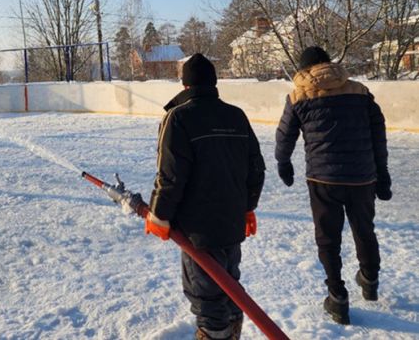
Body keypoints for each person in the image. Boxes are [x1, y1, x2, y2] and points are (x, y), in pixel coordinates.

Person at [145, 53, 265, 340]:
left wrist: (159, 214)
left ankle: (216, 334)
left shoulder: (179, 117)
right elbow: (256, 168)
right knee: (229, 283)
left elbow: (171, 175)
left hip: (197, 228)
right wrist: (248, 208)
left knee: (205, 291)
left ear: (185, 86)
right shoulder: (235, 115)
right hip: (232, 221)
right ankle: (231, 330)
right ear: (214, 83)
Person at [275, 46, 392, 325]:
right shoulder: (360, 91)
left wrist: (283, 162)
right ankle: (370, 279)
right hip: (362, 176)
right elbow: (378, 133)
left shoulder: (298, 96)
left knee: (328, 238)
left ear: (304, 69)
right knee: (364, 228)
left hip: (322, 178)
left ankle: (337, 296)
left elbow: (285, 135)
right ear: (329, 63)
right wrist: (382, 172)